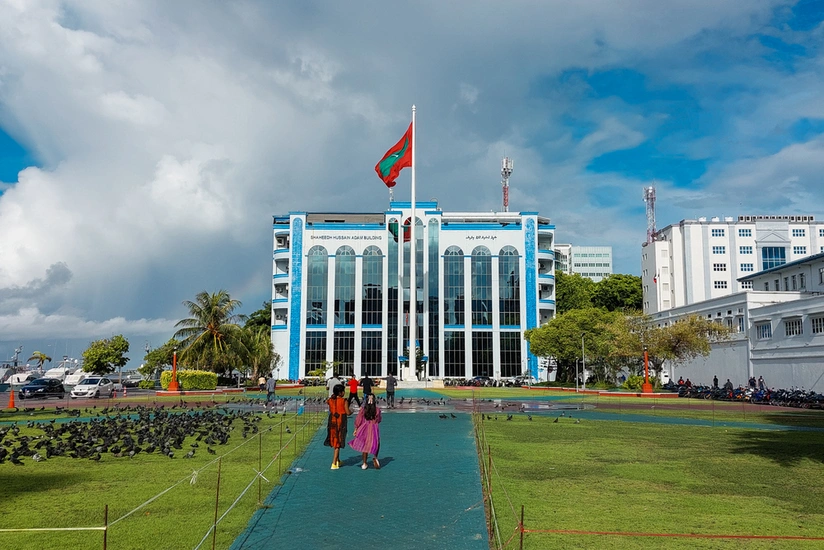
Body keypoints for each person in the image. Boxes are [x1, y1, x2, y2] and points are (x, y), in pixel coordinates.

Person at [348, 393, 382, 470]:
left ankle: (364, 463)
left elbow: (359, 419)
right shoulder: (377, 410)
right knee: (376, 442)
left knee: (365, 445)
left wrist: (356, 428)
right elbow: (379, 420)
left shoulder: (363, 409)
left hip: (365, 427)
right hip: (373, 427)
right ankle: (375, 457)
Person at [324, 384, 351, 469]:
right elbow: (347, 412)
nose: (344, 392)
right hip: (340, 422)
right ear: (340, 392)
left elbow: (327, 401)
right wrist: (352, 411)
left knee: (334, 439)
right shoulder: (344, 401)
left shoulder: (331, 400)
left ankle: (338, 460)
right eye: (343, 391)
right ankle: (334, 463)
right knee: (338, 442)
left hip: (332, 422)